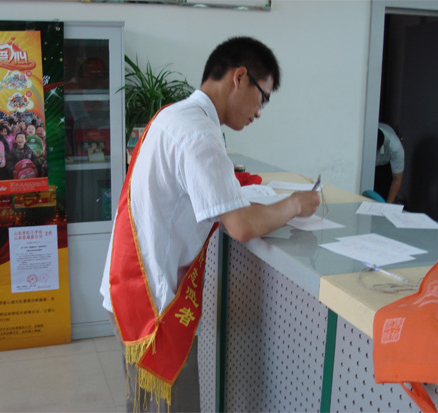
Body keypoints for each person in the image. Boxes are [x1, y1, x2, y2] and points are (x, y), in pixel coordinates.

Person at [100, 36, 320, 412]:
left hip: (132, 287)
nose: (259, 112)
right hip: (155, 304)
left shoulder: (174, 116)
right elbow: (241, 226)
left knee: (145, 403)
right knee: (171, 404)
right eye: (263, 98)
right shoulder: (199, 133)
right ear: (240, 77)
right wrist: (296, 204)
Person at [374, 122, 404, 203]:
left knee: (382, 196)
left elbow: (397, 179)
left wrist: (388, 205)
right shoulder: (361, 140)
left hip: (384, 166)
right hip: (364, 166)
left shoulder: (395, 148)